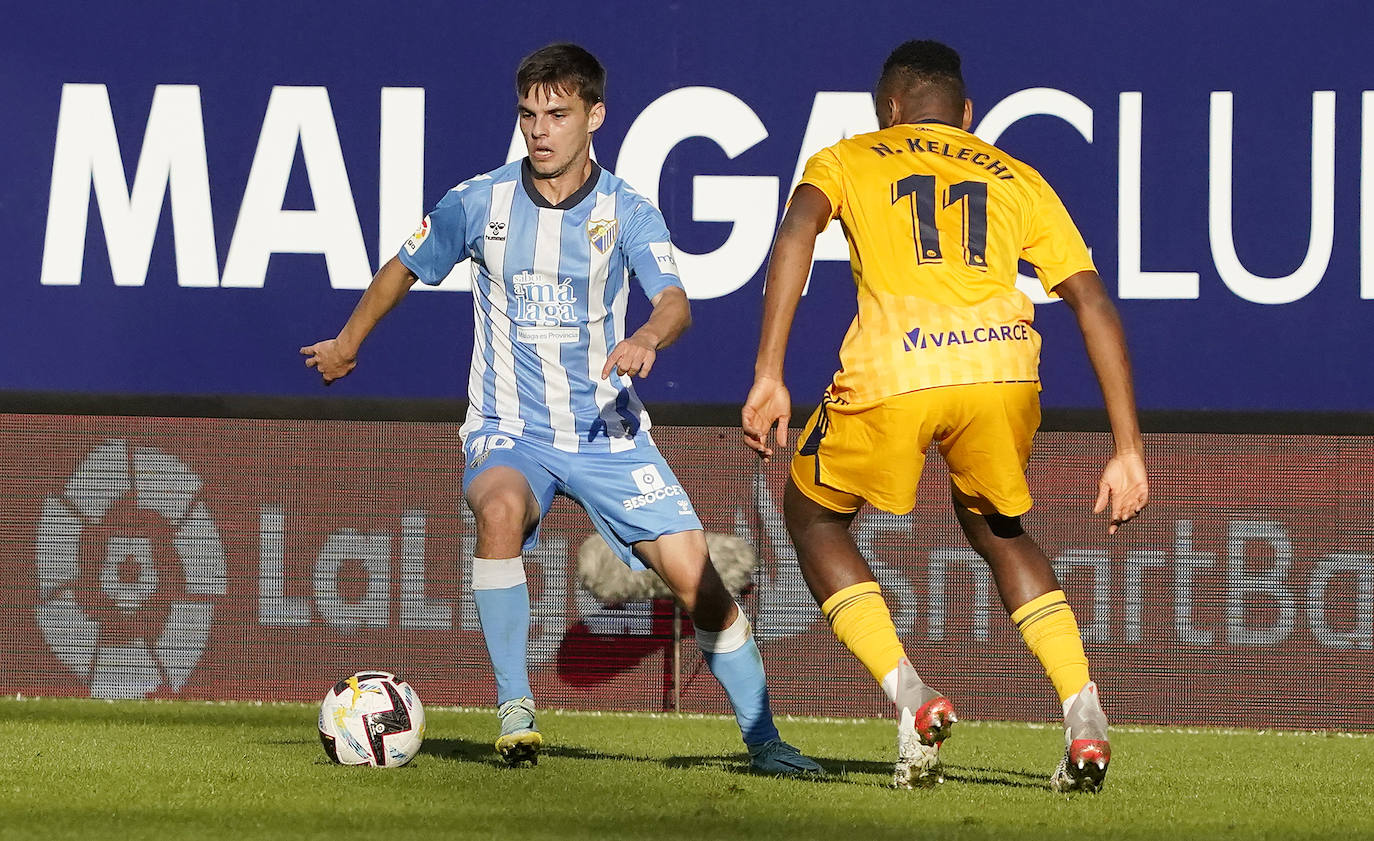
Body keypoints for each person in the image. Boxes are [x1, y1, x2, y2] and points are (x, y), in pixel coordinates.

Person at [302, 43, 821, 777]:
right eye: (528, 114)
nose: (540, 130)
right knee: (500, 511)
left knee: (696, 579)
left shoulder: (627, 209)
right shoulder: (479, 201)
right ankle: (516, 710)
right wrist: (348, 342)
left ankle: (766, 740)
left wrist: (646, 334)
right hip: (508, 426)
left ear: (594, 116)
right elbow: (404, 265)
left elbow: (675, 302)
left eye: (558, 113)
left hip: (608, 433)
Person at [742, 39, 1148, 793]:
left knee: (812, 514)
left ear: (889, 108)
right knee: (998, 527)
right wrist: (1126, 448)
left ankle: (910, 695)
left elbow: (797, 231)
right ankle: (1083, 706)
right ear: (967, 114)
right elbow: (1090, 299)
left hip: (899, 364)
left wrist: (770, 370)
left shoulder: (850, 155)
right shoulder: (1017, 175)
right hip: (1003, 366)